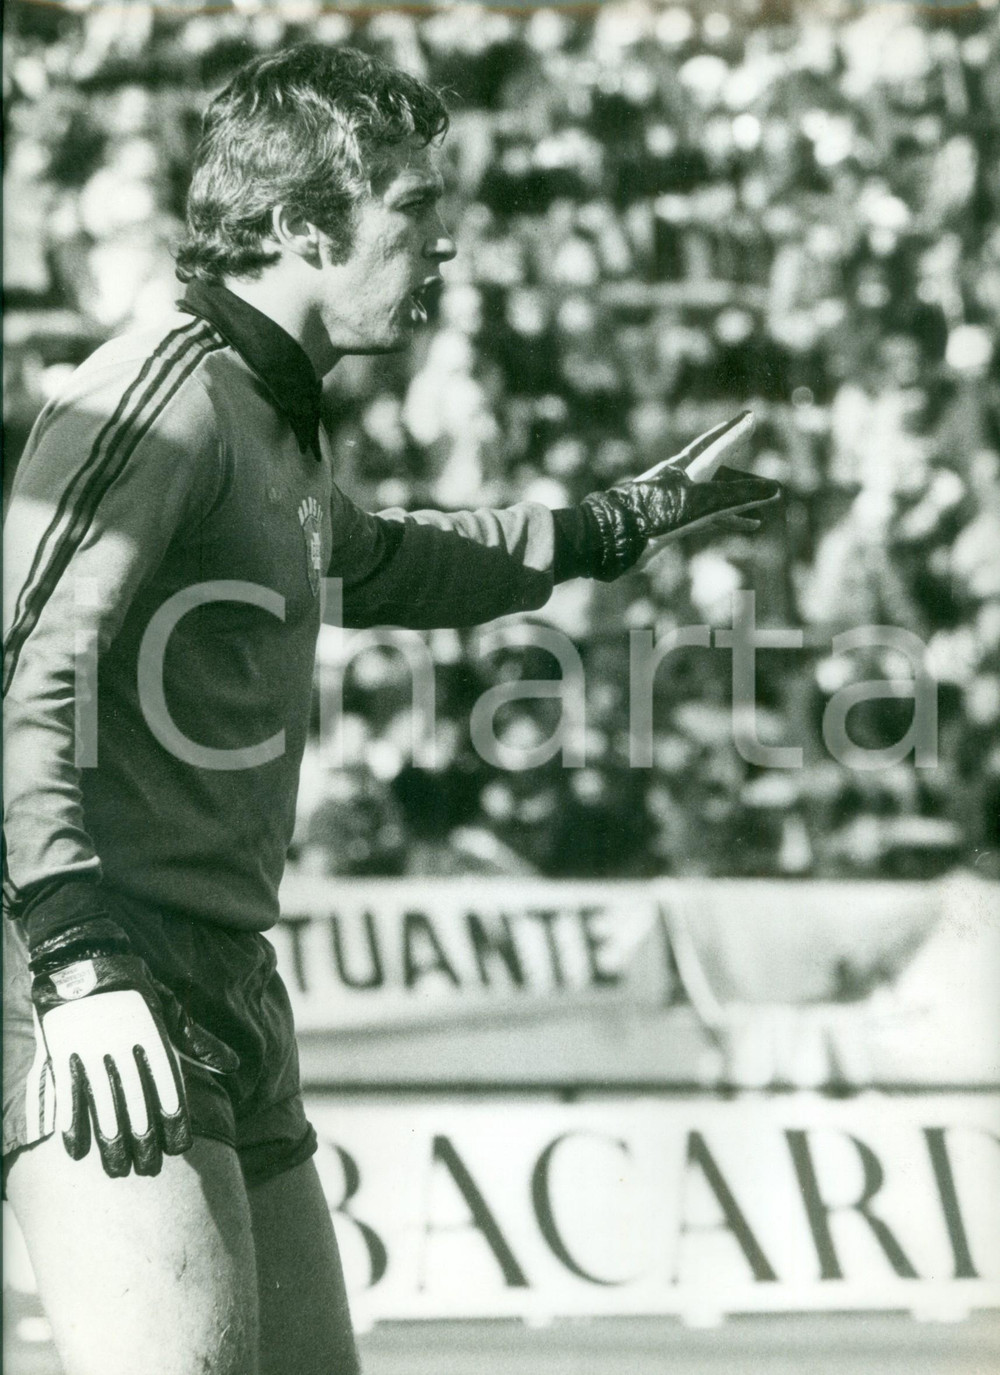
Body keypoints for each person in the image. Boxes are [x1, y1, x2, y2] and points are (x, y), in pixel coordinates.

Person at [2, 43, 780, 1375]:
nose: (446, 248)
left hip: (227, 973)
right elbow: (26, 668)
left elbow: (376, 557)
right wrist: (77, 958)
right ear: (304, 226)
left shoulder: (271, 416)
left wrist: (614, 524)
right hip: (99, 959)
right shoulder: (162, 398)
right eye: (416, 209)